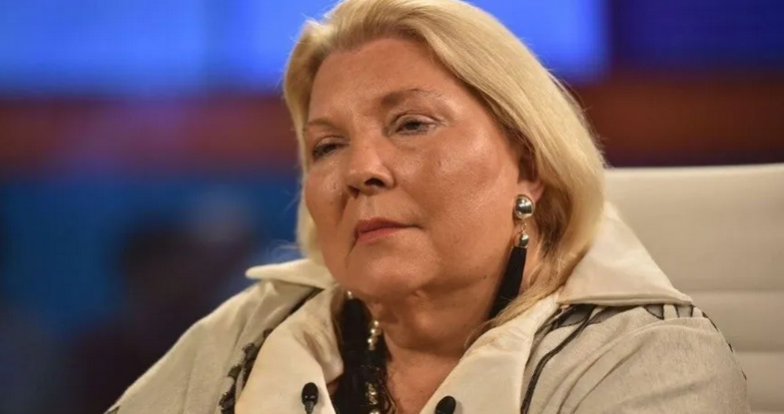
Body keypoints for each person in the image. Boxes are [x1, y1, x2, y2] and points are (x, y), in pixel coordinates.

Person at [107, 0, 749, 413]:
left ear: (530, 165)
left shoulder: (648, 362)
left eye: (411, 124)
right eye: (327, 146)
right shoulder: (256, 327)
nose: (359, 170)